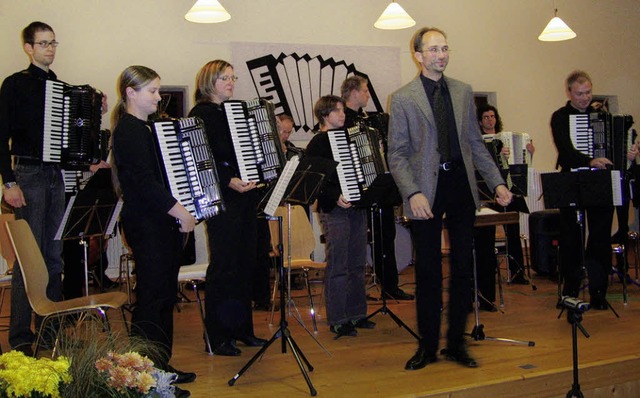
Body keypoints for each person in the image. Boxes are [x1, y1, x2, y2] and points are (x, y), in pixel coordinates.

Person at [387, 27, 512, 370]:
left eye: (445, 48)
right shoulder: (403, 98)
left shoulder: (461, 91)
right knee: (427, 270)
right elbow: (396, 154)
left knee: (462, 268)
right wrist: (411, 192)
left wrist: (497, 183)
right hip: (425, 190)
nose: (441, 54)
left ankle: (456, 343)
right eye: (434, 49)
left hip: (460, 185)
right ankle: (427, 346)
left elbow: (474, 144)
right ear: (418, 55)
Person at [110, 65, 196, 396]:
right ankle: (143, 380)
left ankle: (161, 366)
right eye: (153, 91)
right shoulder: (129, 130)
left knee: (162, 297)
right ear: (131, 93)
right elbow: (144, 184)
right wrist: (180, 211)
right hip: (148, 223)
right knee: (150, 300)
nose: (159, 97)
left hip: (159, 222)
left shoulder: (145, 128)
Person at [0, 21, 74, 355]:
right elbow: (1, 137)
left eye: (53, 43)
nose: (50, 49)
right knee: (29, 260)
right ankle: (19, 338)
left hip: (55, 175)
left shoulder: (61, 87)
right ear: (28, 48)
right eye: (43, 43)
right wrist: (9, 182)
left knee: (54, 255)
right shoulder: (15, 84)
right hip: (27, 173)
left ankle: (50, 330)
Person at [188, 60, 267, 356]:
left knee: (246, 263)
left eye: (233, 78)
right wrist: (229, 179)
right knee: (224, 267)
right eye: (224, 78)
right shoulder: (201, 114)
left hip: (246, 196)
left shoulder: (234, 112)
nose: (231, 83)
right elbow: (200, 157)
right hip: (222, 197)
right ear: (209, 81)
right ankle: (217, 336)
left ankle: (242, 329)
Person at [305, 95, 374, 338]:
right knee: (339, 263)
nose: (342, 114)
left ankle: (357, 313)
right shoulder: (318, 143)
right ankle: (337, 318)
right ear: (325, 116)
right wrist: (335, 196)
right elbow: (315, 179)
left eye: (343, 109)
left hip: (356, 206)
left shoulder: (350, 138)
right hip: (333, 209)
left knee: (357, 262)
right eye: (337, 110)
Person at [341, 75, 414, 301]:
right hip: (357, 190)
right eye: (365, 91)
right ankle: (357, 291)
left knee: (385, 237)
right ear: (353, 93)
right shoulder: (342, 120)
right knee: (358, 241)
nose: (368, 94)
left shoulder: (371, 121)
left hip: (379, 189)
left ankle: (389, 286)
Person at [550, 70, 615, 310]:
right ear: (569, 92)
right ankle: (569, 292)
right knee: (571, 238)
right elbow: (565, 150)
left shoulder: (602, 116)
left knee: (600, 237)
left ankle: (599, 291)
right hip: (571, 181)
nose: (585, 98)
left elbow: (612, 147)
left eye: (588, 92)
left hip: (599, 183)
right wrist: (589, 161)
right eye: (579, 94)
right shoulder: (559, 116)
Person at [474, 104, 533, 311]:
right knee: (485, 236)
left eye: (492, 116)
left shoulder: (506, 138)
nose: (490, 120)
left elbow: (519, 168)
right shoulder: (479, 141)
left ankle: (517, 272)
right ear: (480, 121)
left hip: (508, 190)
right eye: (486, 117)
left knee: (513, 232)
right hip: (488, 194)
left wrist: (528, 154)